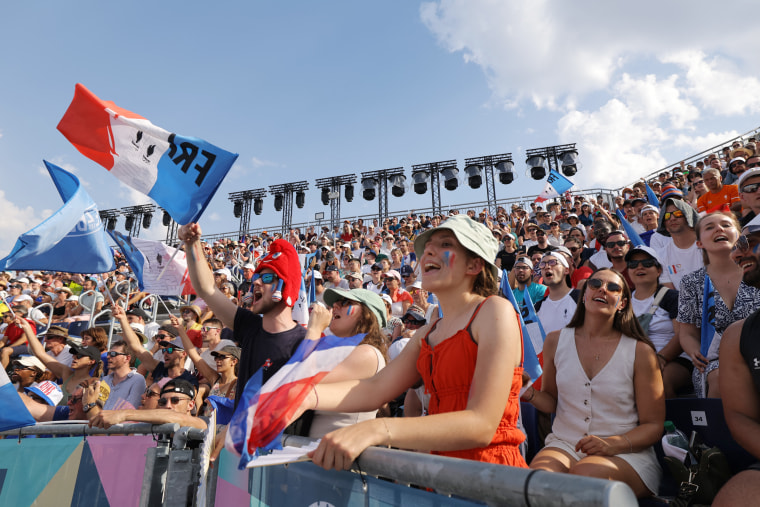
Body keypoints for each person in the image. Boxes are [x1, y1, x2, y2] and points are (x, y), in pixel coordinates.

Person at [293, 215, 527, 469]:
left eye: (445, 244)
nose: (427, 252)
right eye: (427, 248)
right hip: (441, 478)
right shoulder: (428, 333)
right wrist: (301, 395)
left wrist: (378, 428)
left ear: (474, 265)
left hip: (492, 478)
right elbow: (374, 389)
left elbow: (482, 424)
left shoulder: (495, 310)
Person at [525, 269, 664, 498]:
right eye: (596, 283)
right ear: (584, 293)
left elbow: (653, 426)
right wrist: (529, 393)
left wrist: (613, 444)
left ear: (622, 303)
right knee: (539, 482)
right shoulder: (555, 340)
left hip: (625, 452)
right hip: (565, 444)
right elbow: (551, 402)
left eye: (613, 288)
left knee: (585, 475)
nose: (602, 289)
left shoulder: (641, 351)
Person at [179, 223, 307, 409]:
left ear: (285, 286)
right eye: (256, 278)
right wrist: (192, 244)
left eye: (267, 278)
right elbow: (207, 289)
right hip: (241, 436)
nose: (256, 283)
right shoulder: (250, 326)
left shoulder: (304, 342)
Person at [677, 212, 760, 398]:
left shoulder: (757, 269)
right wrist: (695, 352)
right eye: (709, 227)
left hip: (757, 353)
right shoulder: (690, 282)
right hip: (714, 361)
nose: (719, 229)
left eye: (725, 225)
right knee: (720, 377)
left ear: (739, 236)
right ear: (699, 243)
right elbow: (687, 331)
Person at [714, 215, 760, 505]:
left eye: (751, 243)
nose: (738, 252)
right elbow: (741, 418)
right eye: (737, 246)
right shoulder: (737, 336)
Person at [304, 288, 389, 438]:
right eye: (336, 303)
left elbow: (301, 379)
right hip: (315, 453)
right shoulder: (339, 353)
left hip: (338, 457)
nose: (335, 306)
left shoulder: (368, 354)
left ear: (366, 316)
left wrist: (314, 329)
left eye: (346, 302)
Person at [626, 246, 689, 399]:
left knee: (659, 380)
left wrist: (660, 358)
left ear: (659, 270)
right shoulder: (623, 301)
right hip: (634, 360)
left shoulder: (672, 297)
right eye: (633, 264)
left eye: (647, 263)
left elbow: (682, 336)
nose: (639, 267)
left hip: (673, 359)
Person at [17, 317, 102, 404]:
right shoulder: (66, 373)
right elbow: (40, 353)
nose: (74, 358)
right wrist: (27, 328)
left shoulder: (92, 384)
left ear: (91, 361)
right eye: (74, 355)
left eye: (79, 356)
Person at [88, 378, 207, 430]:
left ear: (191, 405)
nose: (168, 406)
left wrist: (123, 414)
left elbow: (179, 418)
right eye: (163, 402)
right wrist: (89, 405)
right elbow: (103, 439)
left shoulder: (201, 424)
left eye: (175, 400)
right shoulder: (150, 427)